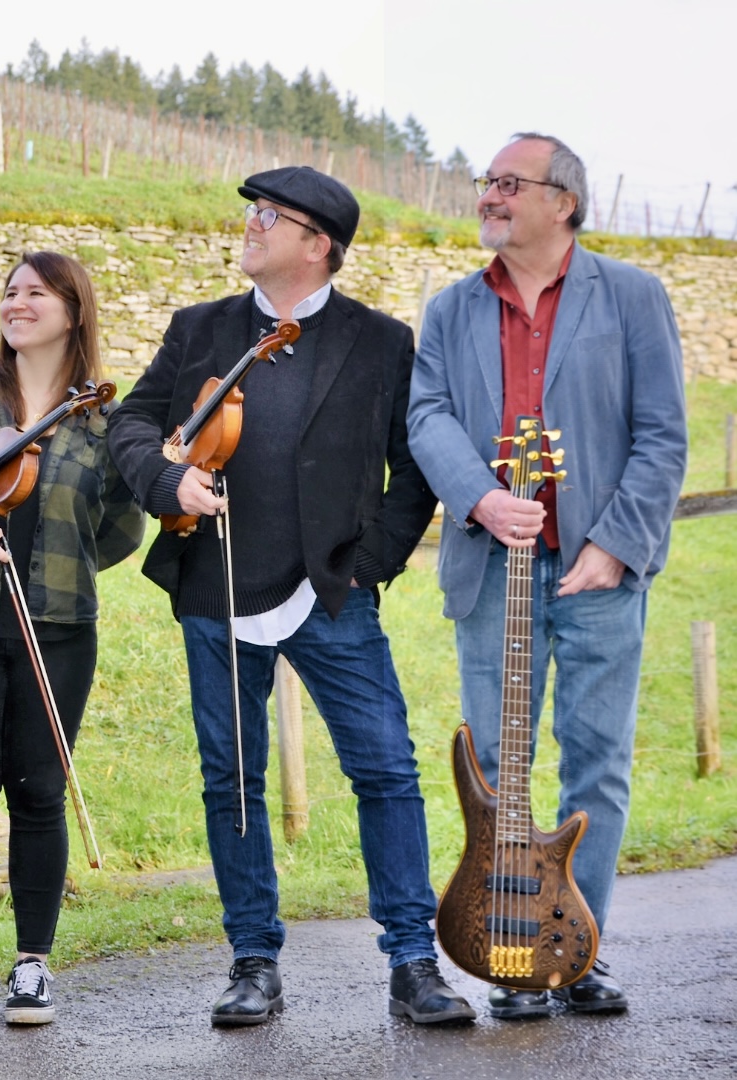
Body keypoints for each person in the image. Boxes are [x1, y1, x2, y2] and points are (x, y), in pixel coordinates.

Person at [107, 166, 473, 1027]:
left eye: (270, 216)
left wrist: (368, 563)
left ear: (319, 245)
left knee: (384, 770)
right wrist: (166, 481)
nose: (251, 225)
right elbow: (130, 422)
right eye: (252, 213)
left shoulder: (380, 341)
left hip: (330, 592)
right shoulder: (200, 329)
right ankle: (252, 960)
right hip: (217, 581)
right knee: (230, 779)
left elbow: (412, 463)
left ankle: (413, 961)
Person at [407, 132, 687, 1019]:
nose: (488, 195)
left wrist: (614, 543)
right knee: (497, 764)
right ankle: (506, 949)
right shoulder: (450, 308)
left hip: (599, 568)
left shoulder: (633, 296)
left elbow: (661, 434)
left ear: (560, 201)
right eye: (485, 182)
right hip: (494, 568)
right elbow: (427, 416)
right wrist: (480, 499)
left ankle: (576, 945)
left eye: (506, 183)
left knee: (596, 761)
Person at [0, 252, 143, 1029]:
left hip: (58, 624)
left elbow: (118, 529)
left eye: (35, 292)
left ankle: (34, 965)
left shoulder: (104, 422)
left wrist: (57, 566)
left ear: (74, 311)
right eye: (9, 291)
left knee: (41, 792)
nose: (16, 303)